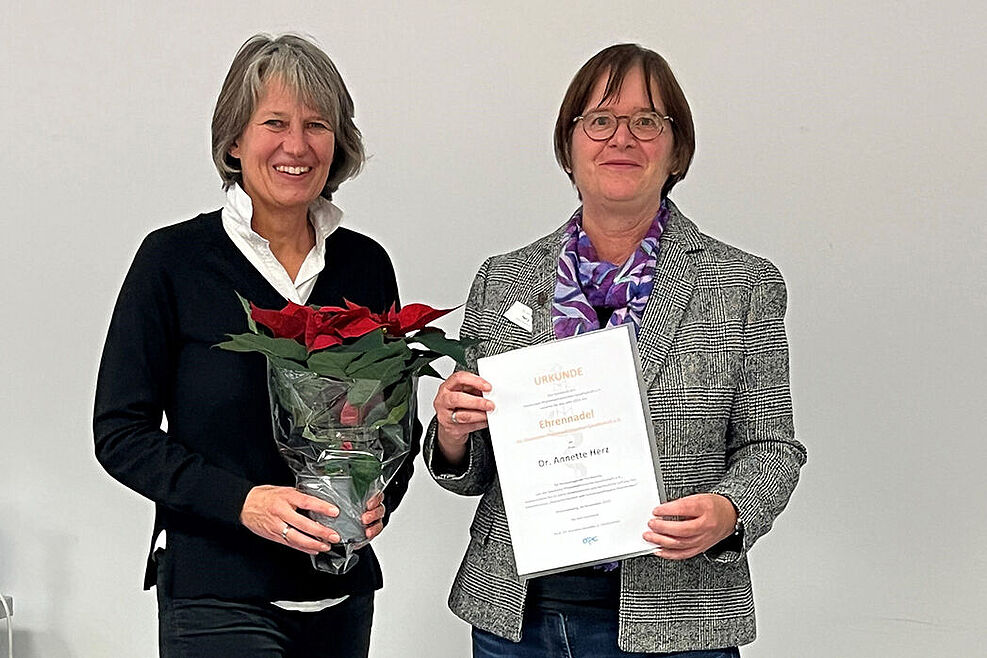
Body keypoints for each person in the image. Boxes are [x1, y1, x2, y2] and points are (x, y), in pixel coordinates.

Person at [427, 44, 806, 657]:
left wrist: (731, 511)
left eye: (647, 122)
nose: (621, 138)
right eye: (600, 120)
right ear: (569, 146)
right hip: (517, 621)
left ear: (676, 149)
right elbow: (470, 469)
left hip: (682, 618)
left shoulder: (742, 284)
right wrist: (450, 429)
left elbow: (773, 448)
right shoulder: (505, 280)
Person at [94, 33, 417, 657]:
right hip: (216, 595)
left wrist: (381, 496)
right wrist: (243, 503)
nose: (296, 146)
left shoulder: (365, 264)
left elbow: (392, 420)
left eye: (316, 124)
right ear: (235, 141)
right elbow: (120, 431)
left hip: (342, 597)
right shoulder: (174, 261)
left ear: (337, 143)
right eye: (274, 122)